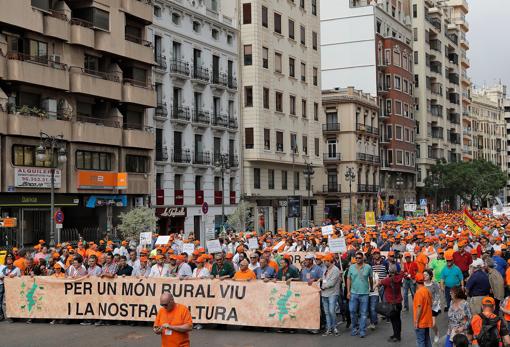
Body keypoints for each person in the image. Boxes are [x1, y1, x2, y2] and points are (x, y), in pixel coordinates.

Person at [347, 251, 373, 338]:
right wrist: (348, 291)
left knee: (364, 313)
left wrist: (372, 288)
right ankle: (354, 328)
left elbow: (371, 278)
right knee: (352, 311)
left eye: (359, 258)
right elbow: (348, 279)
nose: (357, 259)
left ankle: (362, 330)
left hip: (364, 293)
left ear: (363, 258)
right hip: (353, 293)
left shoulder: (368, 267)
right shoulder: (351, 267)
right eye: (356, 258)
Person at [380, 264, 404, 342]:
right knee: (398, 319)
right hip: (398, 302)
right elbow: (402, 272)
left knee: (393, 320)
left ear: (389, 271)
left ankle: (396, 336)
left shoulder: (388, 280)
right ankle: (398, 335)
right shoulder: (399, 277)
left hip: (391, 303)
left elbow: (380, 283)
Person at [321, 254, 341, 336]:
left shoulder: (335, 270)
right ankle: (329, 329)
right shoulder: (325, 269)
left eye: (325, 261)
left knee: (332, 311)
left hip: (332, 293)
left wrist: (322, 287)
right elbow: (324, 279)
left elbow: (332, 283)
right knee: (326, 312)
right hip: (324, 293)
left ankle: (334, 328)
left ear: (329, 261)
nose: (324, 262)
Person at [413, 273, 433, 347]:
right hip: (427, 320)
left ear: (416, 280)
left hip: (420, 322)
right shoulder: (426, 290)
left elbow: (419, 307)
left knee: (420, 341)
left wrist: (416, 321)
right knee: (427, 339)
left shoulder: (418, 292)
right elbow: (431, 303)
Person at [0, 255, 21, 321]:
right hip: (8, 289)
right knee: (9, 303)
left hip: (15, 288)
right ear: (6, 264)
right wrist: (7, 276)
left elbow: (20, 277)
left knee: (16, 302)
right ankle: (12, 316)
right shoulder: (4, 270)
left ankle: (17, 316)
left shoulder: (17, 269)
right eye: (8, 264)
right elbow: (2, 277)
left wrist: (14, 276)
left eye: (11, 263)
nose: (10, 265)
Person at [424, 269, 442, 343]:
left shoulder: (434, 284)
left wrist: (435, 302)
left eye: (426, 275)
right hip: (424, 306)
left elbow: (437, 294)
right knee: (425, 323)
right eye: (423, 275)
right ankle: (426, 338)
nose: (424, 276)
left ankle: (437, 333)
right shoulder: (421, 284)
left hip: (433, 306)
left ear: (430, 276)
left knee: (433, 323)